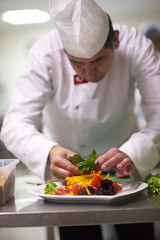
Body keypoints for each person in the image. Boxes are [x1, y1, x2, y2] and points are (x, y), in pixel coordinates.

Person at [1, 0, 160, 239]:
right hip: (69, 176)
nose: (88, 72)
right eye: (76, 63)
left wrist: (135, 151)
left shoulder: (136, 44)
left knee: (136, 232)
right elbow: (14, 124)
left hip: (127, 168)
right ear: (64, 52)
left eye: (98, 60)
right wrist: (49, 151)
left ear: (115, 40)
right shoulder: (44, 53)